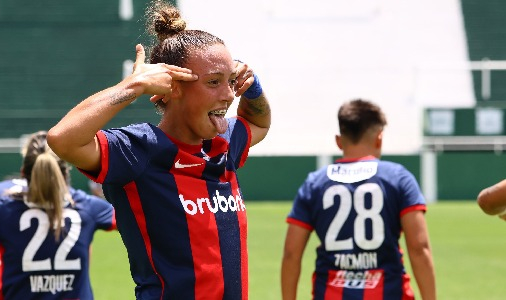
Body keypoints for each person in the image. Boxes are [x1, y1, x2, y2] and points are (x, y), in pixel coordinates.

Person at [47, 1, 272, 298]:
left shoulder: (224, 142)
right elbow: (62, 138)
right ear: (173, 87)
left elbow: (258, 122)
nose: (228, 94)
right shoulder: (138, 150)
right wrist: (133, 86)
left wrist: (253, 88)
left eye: (230, 82)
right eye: (214, 82)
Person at [0, 131, 116, 300]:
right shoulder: (88, 208)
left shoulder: (3, 211)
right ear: (65, 173)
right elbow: (138, 219)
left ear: (23, 174)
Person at [281, 99, 436, 300]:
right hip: (388, 293)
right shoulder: (398, 177)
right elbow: (419, 248)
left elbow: (291, 254)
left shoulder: (315, 183)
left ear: (339, 141)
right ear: (379, 139)